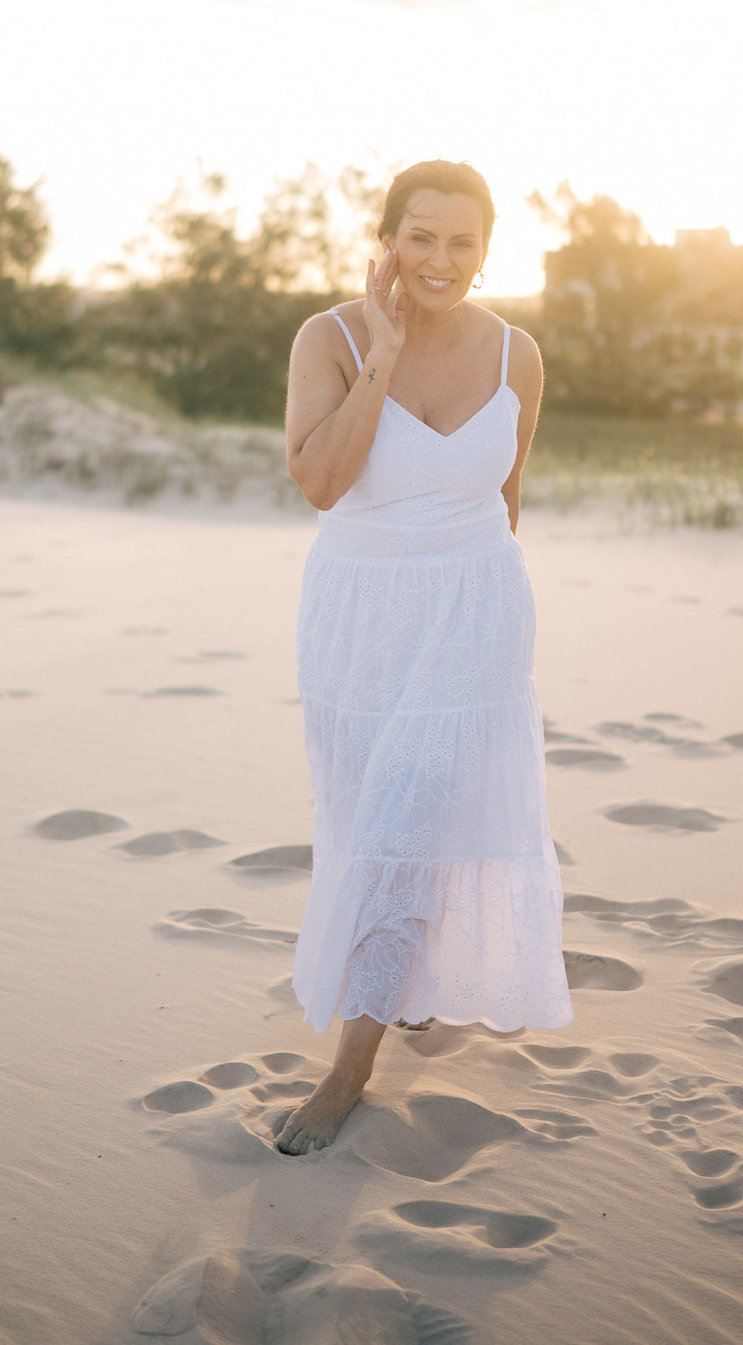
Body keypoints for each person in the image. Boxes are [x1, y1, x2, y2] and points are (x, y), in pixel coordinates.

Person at [276, 159, 572, 1155]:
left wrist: (493, 617)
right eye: (422, 236)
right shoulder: (330, 338)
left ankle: (348, 1070)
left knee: (416, 812)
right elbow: (319, 478)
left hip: (476, 609)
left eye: (462, 241)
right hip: (362, 617)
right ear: (389, 239)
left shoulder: (517, 354)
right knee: (369, 821)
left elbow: (507, 493)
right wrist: (385, 357)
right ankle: (399, 982)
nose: (440, 259)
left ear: (486, 251)